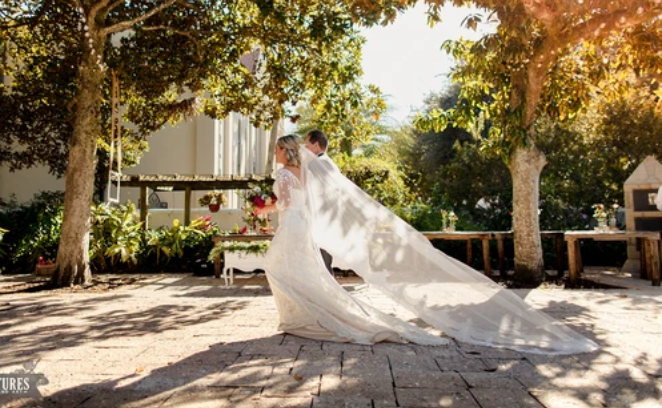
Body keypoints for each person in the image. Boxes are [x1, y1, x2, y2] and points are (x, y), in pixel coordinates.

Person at [255, 134, 599, 354]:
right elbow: (302, 203)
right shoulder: (304, 172)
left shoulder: (285, 173)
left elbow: (285, 203)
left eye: (276, 149)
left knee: (281, 268)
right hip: (301, 226)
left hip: (292, 225)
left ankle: (301, 316)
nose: (274, 153)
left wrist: (262, 207)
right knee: (297, 271)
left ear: (284, 151)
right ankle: (300, 315)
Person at [303, 130, 334, 275]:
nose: (305, 148)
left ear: (316, 145)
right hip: (323, 219)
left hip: (321, 221)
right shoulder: (326, 162)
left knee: (322, 264)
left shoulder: (319, 164)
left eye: (307, 144)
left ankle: (329, 296)